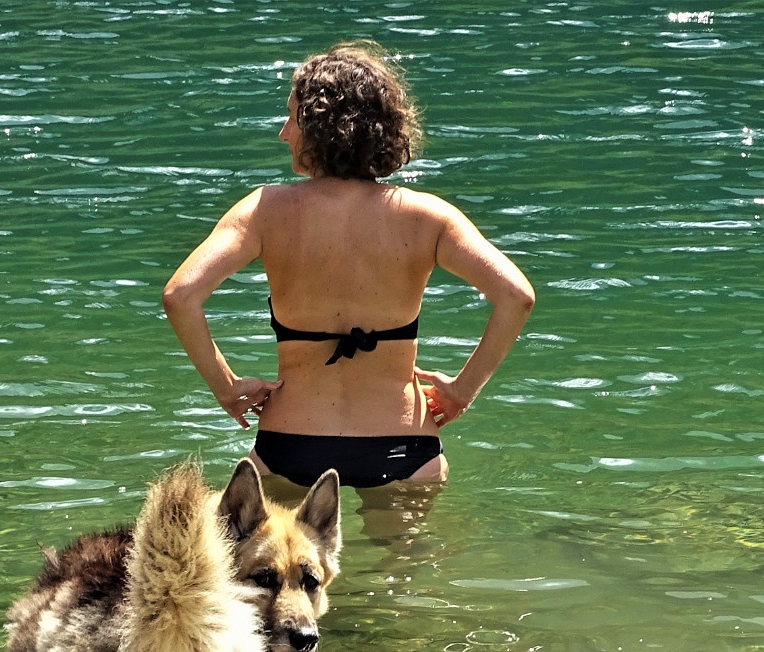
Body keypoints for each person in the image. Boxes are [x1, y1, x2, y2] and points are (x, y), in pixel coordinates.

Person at [163, 41, 534, 490]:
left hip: (289, 443)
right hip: (405, 444)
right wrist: (461, 391)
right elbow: (516, 296)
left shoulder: (264, 210)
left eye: (292, 117)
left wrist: (226, 387)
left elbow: (181, 296)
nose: (283, 133)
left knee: (268, 562)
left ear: (321, 128)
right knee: (402, 564)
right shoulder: (429, 216)